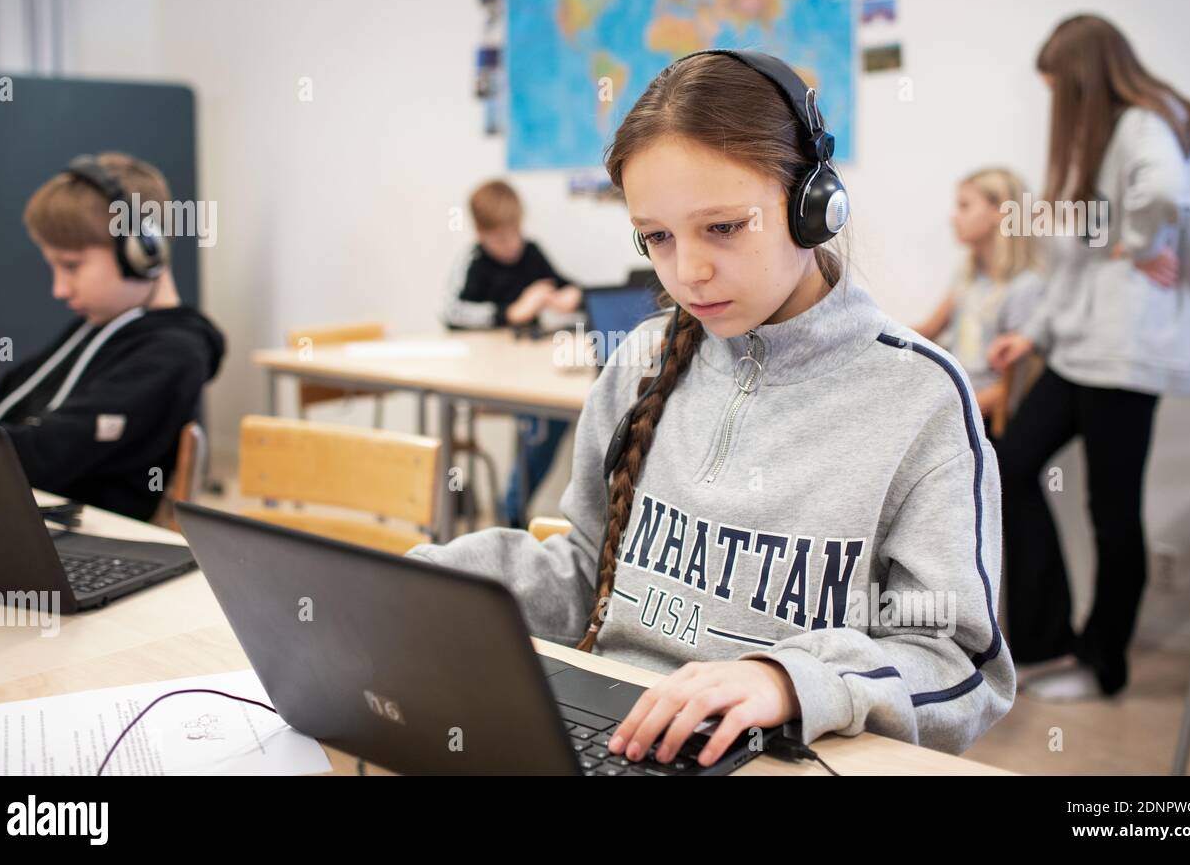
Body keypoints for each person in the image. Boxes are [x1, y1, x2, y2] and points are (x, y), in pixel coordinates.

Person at [408, 50, 1013, 769]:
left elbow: (957, 666)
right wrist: (421, 584)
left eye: (723, 227)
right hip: (617, 742)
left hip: (783, 757)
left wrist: (789, 681)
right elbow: (582, 573)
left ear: (812, 206)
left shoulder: (919, 399)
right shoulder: (640, 359)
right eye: (657, 237)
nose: (686, 272)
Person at [987, 15, 1190, 700]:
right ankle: (1048, 638)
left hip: (1126, 354)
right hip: (1084, 350)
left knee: (1112, 511)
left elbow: (1165, 198)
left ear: (1085, 79)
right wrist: (1034, 334)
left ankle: (1103, 663)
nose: (1057, 103)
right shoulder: (1109, 138)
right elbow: (1080, 265)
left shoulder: (1147, 124)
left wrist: (1136, 243)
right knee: (1010, 463)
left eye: (1060, 87)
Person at [0, 152, 225, 521]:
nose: (59, 289)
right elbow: (4, 402)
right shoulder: (100, 327)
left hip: (88, 539)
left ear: (142, 252)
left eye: (71, 266)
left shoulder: (172, 354)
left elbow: (49, 454)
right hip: (26, 515)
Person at [441, 179, 582, 527]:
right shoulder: (474, 261)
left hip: (527, 372)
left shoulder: (531, 252)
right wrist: (512, 312)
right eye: (501, 238)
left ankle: (513, 506)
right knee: (539, 415)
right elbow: (452, 313)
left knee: (550, 413)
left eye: (515, 232)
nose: (512, 244)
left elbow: (566, 285)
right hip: (487, 377)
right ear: (480, 233)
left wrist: (569, 297)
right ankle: (512, 509)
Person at [914, 167, 1044, 436]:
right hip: (956, 398)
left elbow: (1012, 387)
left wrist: (948, 410)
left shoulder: (1025, 286)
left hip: (982, 416)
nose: (954, 217)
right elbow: (929, 328)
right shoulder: (968, 275)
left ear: (1000, 213)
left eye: (965, 206)